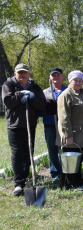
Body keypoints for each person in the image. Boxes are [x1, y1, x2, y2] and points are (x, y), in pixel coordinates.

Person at [2, 63, 46, 196]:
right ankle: (18, 184)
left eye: (25, 72)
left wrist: (32, 98)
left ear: (28, 74)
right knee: (17, 154)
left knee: (28, 152)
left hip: (29, 125)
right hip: (14, 126)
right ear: (15, 74)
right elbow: (8, 102)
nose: (22, 75)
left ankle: (26, 178)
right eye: (19, 72)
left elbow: (42, 105)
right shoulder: (8, 85)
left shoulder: (34, 87)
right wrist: (20, 94)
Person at [57, 70, 83, 190]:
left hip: (82, 134)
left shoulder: (82, 94)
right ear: (70, 81)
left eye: (80, 80)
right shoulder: (66, 95)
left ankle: (76, 181)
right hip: (72, 135)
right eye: (75, 80)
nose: (78, 83)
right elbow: (63, 117)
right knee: (70, 160)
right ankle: (72, 184)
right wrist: (67, 135)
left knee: (78, 159)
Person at [42, 67, 67, 182]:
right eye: (53, 75)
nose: (56, 77)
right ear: (50, 77)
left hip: (65, 126)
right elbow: (39, 111)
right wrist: (46, 109)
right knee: (52, 151)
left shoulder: (68, 91)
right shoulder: (44, 93)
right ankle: (56, 175)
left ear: (62, 76)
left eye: (58, 75)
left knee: (66, 150)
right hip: (50, 126)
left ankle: (67, 173)